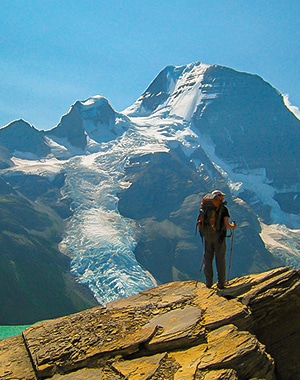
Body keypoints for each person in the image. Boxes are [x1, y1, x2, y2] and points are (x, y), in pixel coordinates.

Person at [203, 190, 236, 289]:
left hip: (207, 236)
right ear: (219, 197)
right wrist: (233, 226)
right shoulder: (223, 209)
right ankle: (221, 284)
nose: (223, 198)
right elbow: (227, 225)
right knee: (220, 260)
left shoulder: (205, 208)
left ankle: (208, 283)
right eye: (222, 196)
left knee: (208, 259)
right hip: (219, 237)